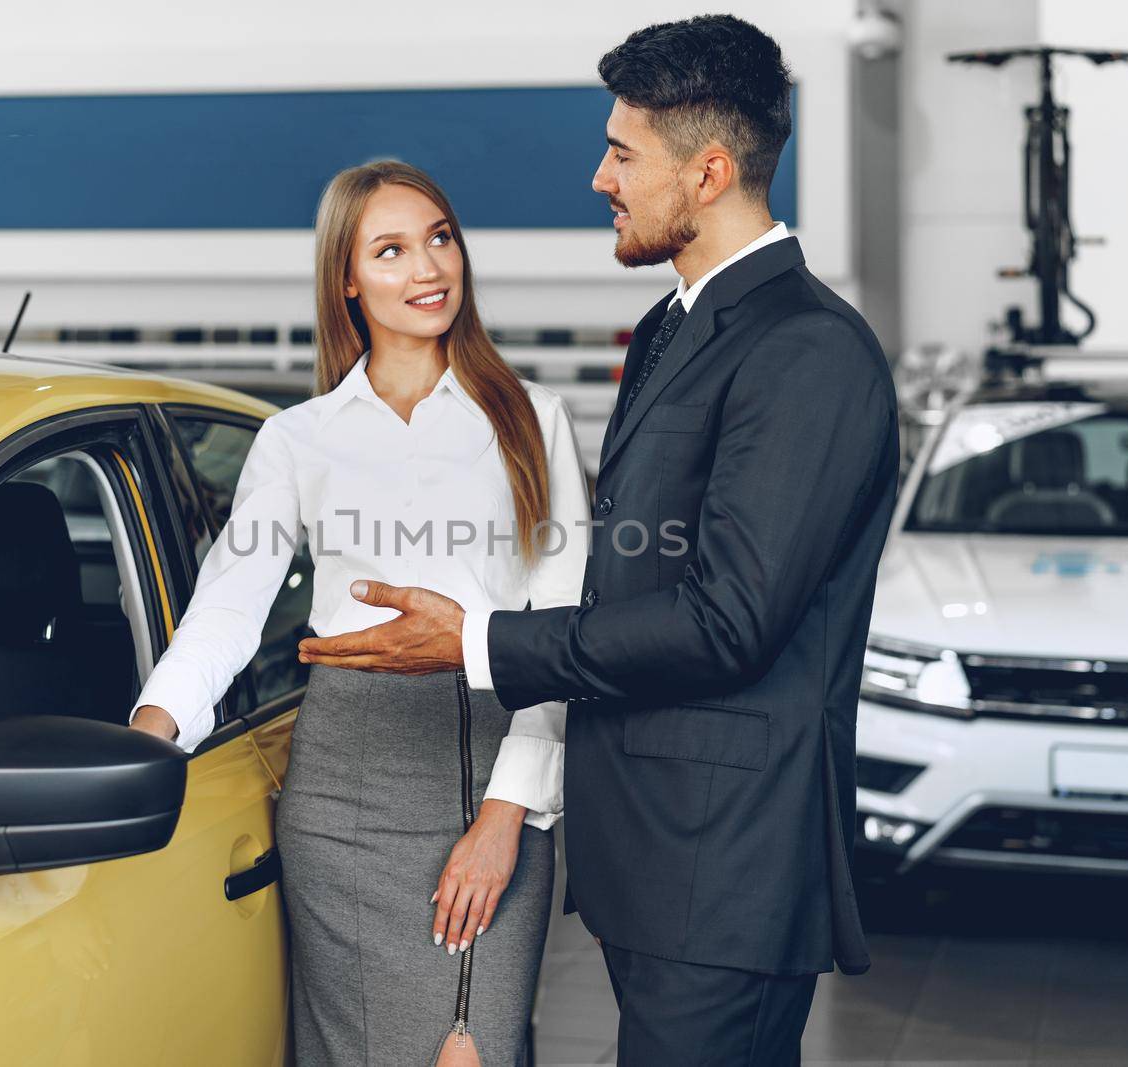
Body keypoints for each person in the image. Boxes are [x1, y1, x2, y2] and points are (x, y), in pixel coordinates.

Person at [297, 16, 901, 1066]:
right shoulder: (678, 324)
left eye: (623, 153)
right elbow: (630, 570)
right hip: (659, 858)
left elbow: (728, 621)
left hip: (727, 866)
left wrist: (480, 641)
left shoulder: (806, 350)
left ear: (707, 171)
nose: (598, 177)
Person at [130, 160, 590, 1066]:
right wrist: (145, 741)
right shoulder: (297, 439)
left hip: (485, 766)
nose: (428, 268)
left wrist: (507, 816)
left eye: (440, 238)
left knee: (471, 1051)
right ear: (347, 277)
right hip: (341, 787)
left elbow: (561, 628)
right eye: (391, 250)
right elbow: (227, 609)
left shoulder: (532, 419)